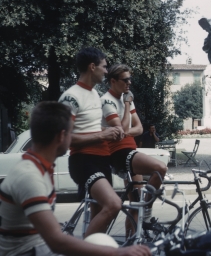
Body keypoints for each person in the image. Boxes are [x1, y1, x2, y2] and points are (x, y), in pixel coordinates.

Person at [0, 102, 150, 256]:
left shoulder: (38, 167)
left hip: (38, 247)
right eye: (72, 133)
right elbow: (57, 242)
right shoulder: (30, 177)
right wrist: (118, 252)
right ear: (61, 136)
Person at [58, 47, 124, 237]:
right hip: (83, 161)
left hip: (102, 160)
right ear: (92, 67)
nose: (106, 70)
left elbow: (90, 128)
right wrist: (103, 136)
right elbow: (66, 137)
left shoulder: (95, 94)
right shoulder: (71, 97)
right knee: (113, 204)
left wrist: (108, 131)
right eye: (104, 66)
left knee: (100, 215)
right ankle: (83, 249)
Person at [101, 64, 167, 231]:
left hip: (130, 150)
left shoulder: (126, 98)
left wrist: (125, 131)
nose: (129, 83)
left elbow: (139, 128)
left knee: (135, 204)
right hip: (118, 152)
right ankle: (147, 210)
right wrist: (128, 105)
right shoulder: (107, 101)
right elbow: (123, 129)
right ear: (113, 81)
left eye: (130, 79)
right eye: (125, 80)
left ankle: (130, 242)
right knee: (160, 168)